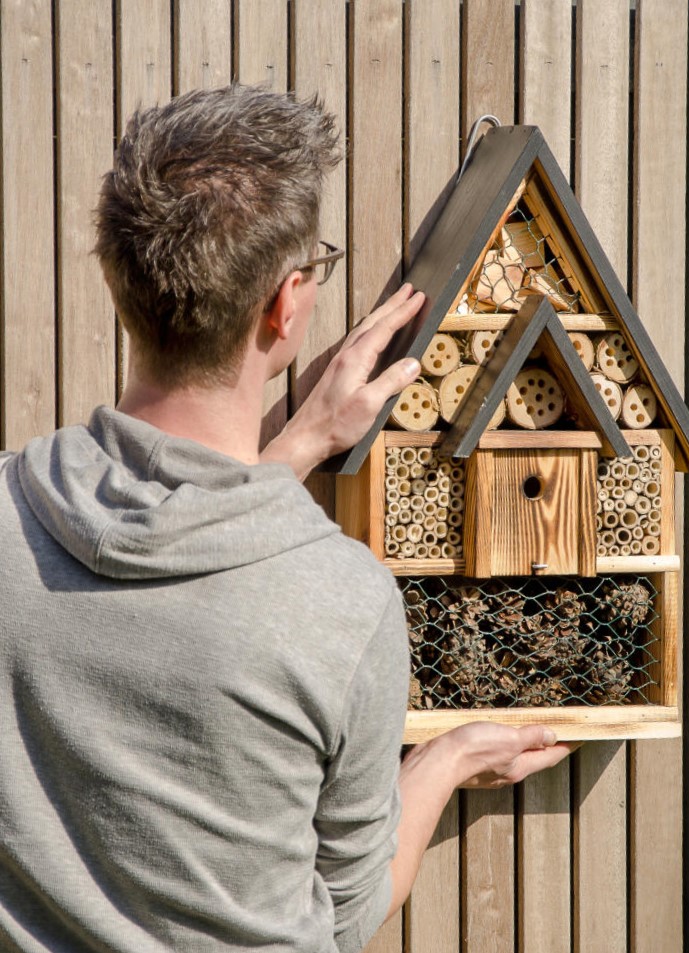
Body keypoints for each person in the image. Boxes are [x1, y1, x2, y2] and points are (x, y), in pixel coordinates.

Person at [0, 85, 570, 953]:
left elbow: (152, 577)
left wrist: (296, 447)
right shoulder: (341, 602)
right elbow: (344, 910)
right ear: (287, 303)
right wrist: (446, 760)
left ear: (117, 278)